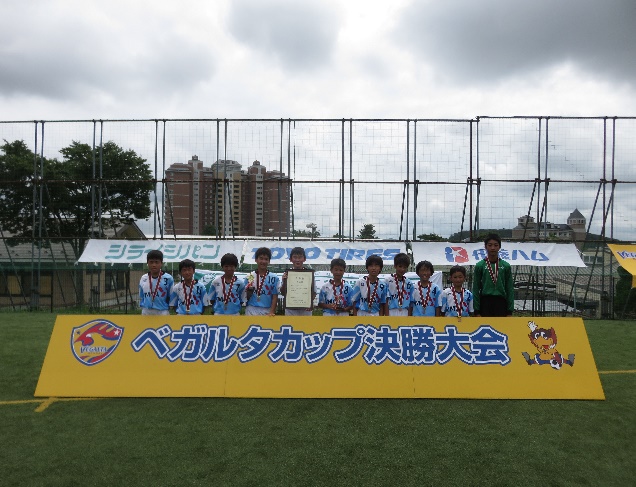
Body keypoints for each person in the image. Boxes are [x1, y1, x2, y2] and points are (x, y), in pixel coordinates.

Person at [472, 233, 514, 317]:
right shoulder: (480, 265)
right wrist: (476, 310)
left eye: (495, 245)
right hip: (485, 302)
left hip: (501, 302)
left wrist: (510, 310)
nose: (493, 248)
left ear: (499, 247)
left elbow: (509, 288)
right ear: (485, 247)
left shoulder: (505, 266)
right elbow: (476, 288)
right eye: (490, 245)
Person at [243, 247, 280, 316]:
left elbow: (275, 296)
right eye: (261, 258)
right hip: (251, 309)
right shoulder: (250, 276)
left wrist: (272, 311)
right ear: (256, 260)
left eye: (266, 259)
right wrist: (249, 292)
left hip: (267, 309)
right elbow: (244, 296)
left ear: (269, 261)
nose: (263, 261)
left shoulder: (274, 278)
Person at [280, 246, 315, 316]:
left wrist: (310, 303)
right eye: (295, 257)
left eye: (300, 257)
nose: (297, 260)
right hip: (290, 311)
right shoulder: (287, 274)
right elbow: (283, 293)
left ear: (304, 259)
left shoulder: (309, 275)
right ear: (290, 259)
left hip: (305, 310)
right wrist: (284, 282)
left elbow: (313, 292)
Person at [139, 249, 174, 316]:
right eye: (151, 262)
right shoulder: (143, 278)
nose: (154, 265)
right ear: (147, 263)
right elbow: (141, 295)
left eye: (156, 262)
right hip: (146, 311)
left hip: (162, 311)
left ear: (161, 263)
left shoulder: (168, 278)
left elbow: (171, 295)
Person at [385, 252, 413, 316]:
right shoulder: (387, 281)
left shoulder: (409, 283)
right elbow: (385, 300)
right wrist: (386, 316)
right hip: (392, 311)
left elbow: (410, 302)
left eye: (404, 267)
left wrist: (409, 316)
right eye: (400, 266)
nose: (402, 269)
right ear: (395, 266)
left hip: (405, 311)